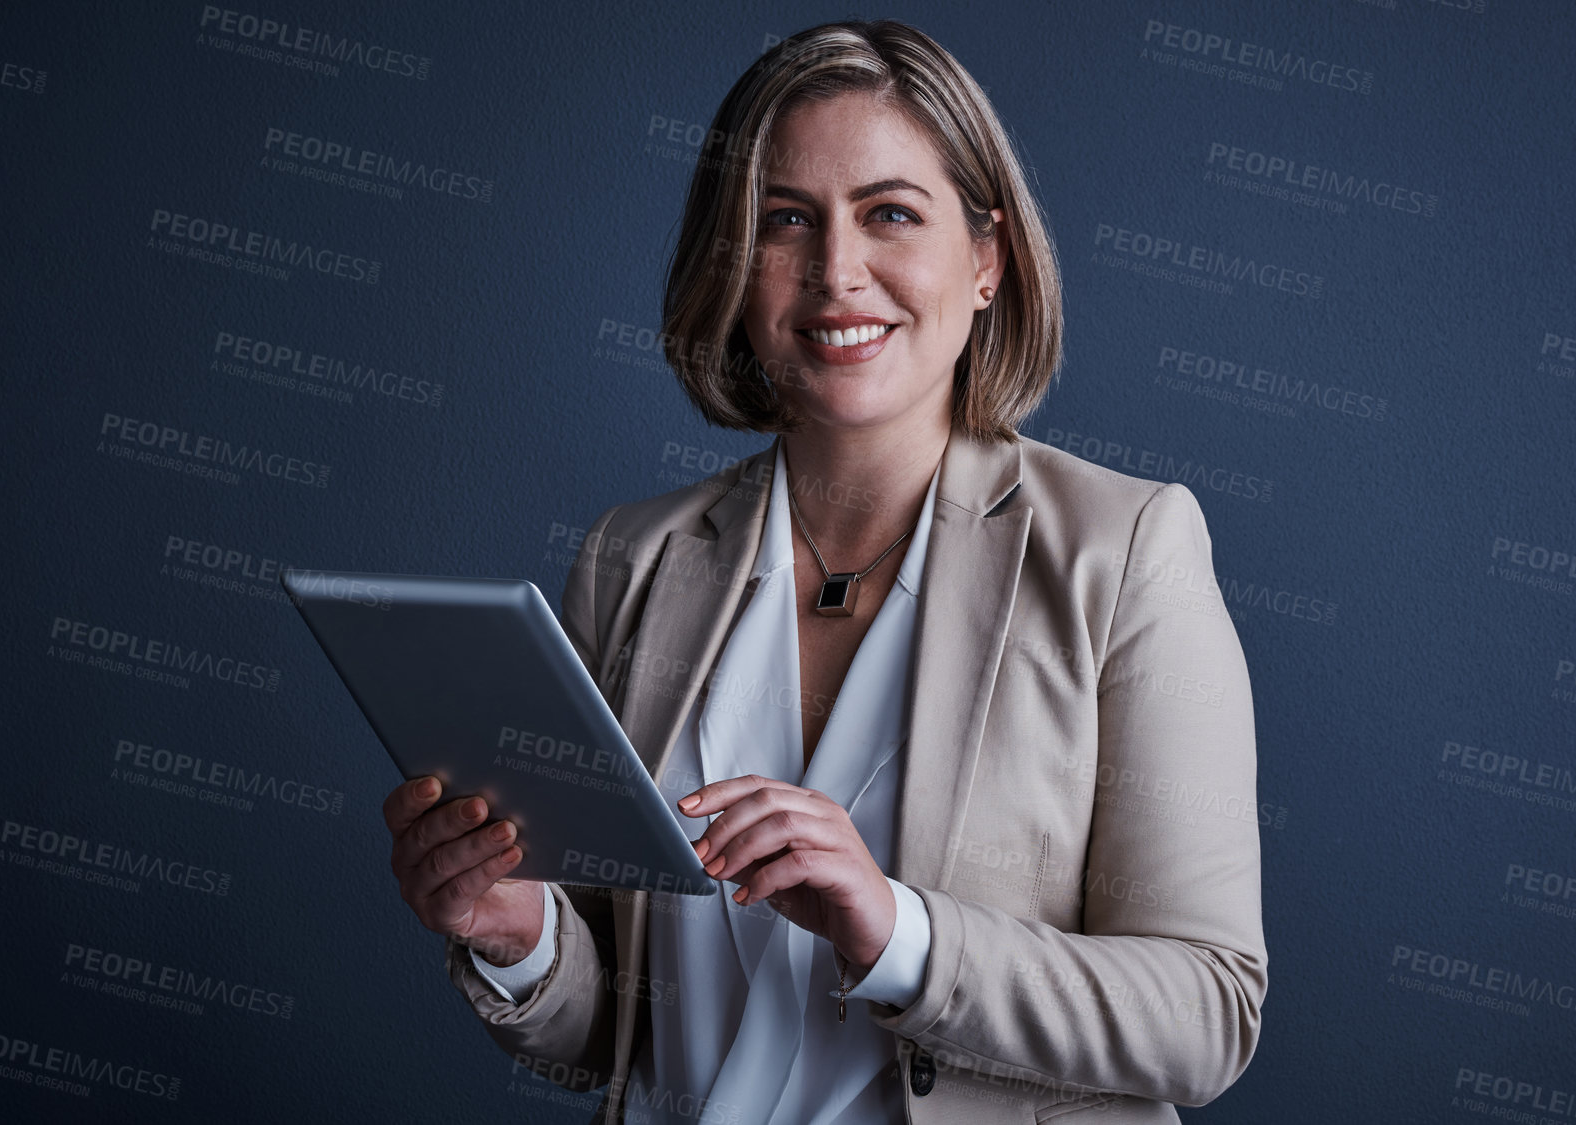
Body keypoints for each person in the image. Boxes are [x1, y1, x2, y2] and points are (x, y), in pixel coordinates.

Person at [382, 19, 1266, 1125]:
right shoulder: (632, 559)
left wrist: (897, 931)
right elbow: (624, 1030)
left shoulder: (1126, 548)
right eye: (783, 222)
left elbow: (1206, 1014)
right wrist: (520, 936)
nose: (837, 273)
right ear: (733, 269)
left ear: (985, 259)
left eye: (890, 213)